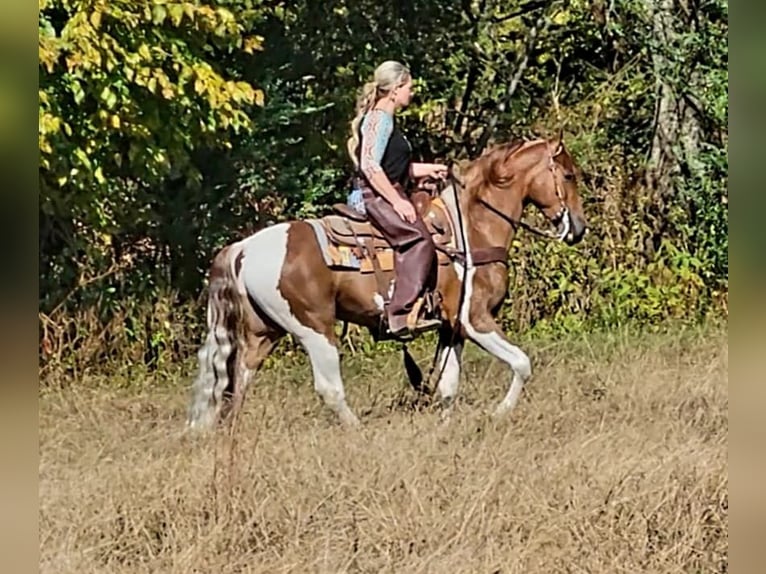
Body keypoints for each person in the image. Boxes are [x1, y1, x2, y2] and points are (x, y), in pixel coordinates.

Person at [346, 60, 448, 337]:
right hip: (374, 195)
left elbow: (395, 167)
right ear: (394, 89)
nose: (411, 93)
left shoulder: (387, 119)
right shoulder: (379, 120)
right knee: (418, 240)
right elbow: (369, 166)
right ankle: (399, 316)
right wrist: (398, 201)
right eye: (408, 87)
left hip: (386, 189)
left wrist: (430, 169)